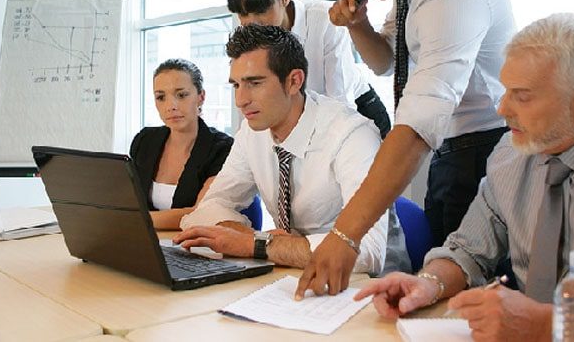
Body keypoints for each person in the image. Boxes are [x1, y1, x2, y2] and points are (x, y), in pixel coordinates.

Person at [296, 0, 516, 297]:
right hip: (450, 155)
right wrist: (358, 25)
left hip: (486, 153)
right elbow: (388, 61)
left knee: (473, 301)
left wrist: (345, 235)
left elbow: (418, 123)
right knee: (441, 294)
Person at [355, 13, 574, 341]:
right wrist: (428, 283)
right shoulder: (511, 153)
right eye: (505, 90)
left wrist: (545, 325)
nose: (502, 108)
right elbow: (468, 250)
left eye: (522, 96)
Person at [174, 24, 408, 275]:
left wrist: (257, 245)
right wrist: (254, 238)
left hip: (367, 283)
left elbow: (366, 252)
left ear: (294, 81)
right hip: (291, 273)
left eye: (255, 83)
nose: (240, 101)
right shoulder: (252, 132)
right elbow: (208, 207)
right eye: (236, 85)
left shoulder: (352, 134)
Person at [227, 0, 391, 139]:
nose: (252, 23)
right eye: (243, 14)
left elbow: (340, 101)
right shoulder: (248, 38)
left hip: (357, 111)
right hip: (305, 118)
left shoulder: (324, 20)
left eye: (260, 11)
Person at [129, 58, 233, 230]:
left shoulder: (222, 148)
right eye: (161, 97)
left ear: (201, 97)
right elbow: (128, 202)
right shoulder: (144, 140)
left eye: (182, 95)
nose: (171, 106)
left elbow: (200, 214)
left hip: (196, 242)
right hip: (149, 240)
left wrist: (134, 220)